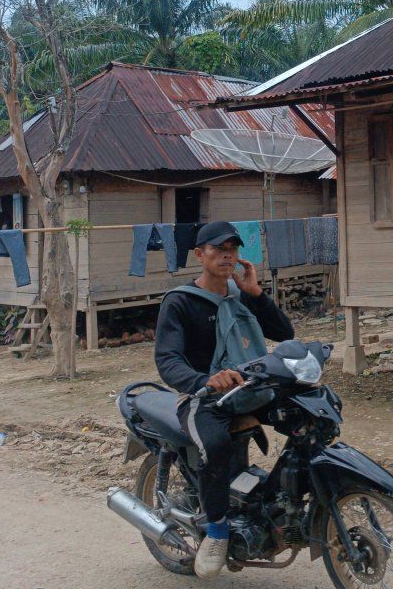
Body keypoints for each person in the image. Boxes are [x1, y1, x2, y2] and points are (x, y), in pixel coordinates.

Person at [154, 221, 293, 579]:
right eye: (218, 249)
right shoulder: (181, 302)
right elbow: (167, 360)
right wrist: (204, 380)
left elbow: (284, 333)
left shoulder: (241, 293)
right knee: (214, 446)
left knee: (304, 414)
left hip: (249, 389)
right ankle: (216, 531)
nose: (227, 254)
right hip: (203, 398)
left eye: (232, 248)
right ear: (200, 255)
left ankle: (288, 499)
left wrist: (257, 294)